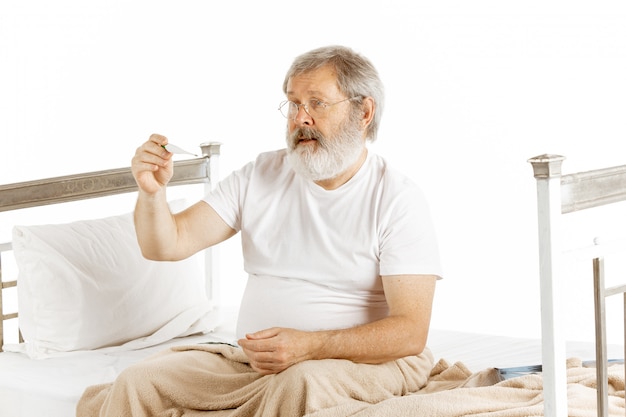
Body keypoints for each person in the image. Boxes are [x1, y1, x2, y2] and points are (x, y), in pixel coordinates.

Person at [77, 45, 443, 416]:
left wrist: (310, 347)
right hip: (252, 364)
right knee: (140, 381)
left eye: (317, 103)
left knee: (299, 385)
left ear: (363, 112)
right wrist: (152, 193)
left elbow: (411, 332)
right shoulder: (262, 175)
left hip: (366, 366)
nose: (301, 118)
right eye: (293, 103)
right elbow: (167, 245)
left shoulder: (397, 199)